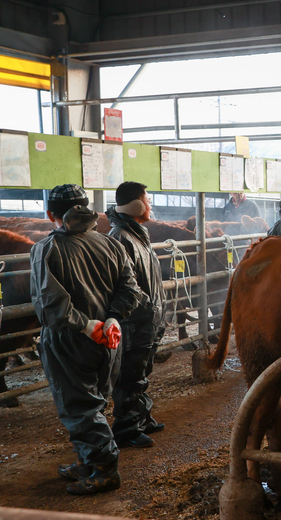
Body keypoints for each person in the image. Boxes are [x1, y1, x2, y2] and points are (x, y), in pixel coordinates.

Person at [30, 184, 143, 495]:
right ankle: (87, 459)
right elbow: (131, 290)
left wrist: (85, 325)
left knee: (78, 406)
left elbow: (51, 305)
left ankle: (105, 468)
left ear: (50, 213)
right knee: (95, 402)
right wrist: (112, 319)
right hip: (110, 339)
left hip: (71, 341)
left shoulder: (46, 249)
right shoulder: (111, 244)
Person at [106, 181, 166, 450]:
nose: (150, 205)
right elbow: (125, 286)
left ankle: (141, 417)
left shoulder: (137, 233)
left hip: (146, 318)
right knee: (130, 374)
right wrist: (145, 310)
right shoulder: (120, 237)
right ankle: (127, 429)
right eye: (148, 199)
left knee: (142, 371)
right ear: (136, 205)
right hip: (134, 321)